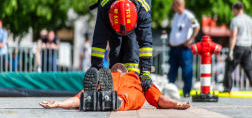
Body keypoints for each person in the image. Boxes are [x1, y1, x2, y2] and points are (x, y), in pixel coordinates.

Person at [90, 0, 153, 92]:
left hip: (132, 23)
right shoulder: (105, 6)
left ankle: (132, 81)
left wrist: (146, 73)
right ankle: (114, 83)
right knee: (116, 52)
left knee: (132, 50)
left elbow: (145, 43)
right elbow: (99, 41)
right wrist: (96, 69)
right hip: (114, 21)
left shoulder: (143, 8)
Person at [39, 63, 190, 110]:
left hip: (128, 92)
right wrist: (59, 103)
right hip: (113, 90)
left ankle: (110, 100)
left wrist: (176, 104)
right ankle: (108, 99)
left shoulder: (137, 78)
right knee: (88, 96)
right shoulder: (107, 78)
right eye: (115, 66)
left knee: (130, 96)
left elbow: (159, 98)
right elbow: (78, 98)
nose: (117, 66)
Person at [168, 0, 200, 97]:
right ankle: (170, 91)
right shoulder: (176, 16)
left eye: (173, 4)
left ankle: (187, 92)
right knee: (172, 71)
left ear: (178, 4)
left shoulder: (188, 15)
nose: (172, 6)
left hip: (184, 49)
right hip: (174, 49)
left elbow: (197, 26)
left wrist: (190, 40)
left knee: (186, 71)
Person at [223, 1, 252, 92]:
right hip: (248, 46)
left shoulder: (235, 20)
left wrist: (231, 50)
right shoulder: (249, 19)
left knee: (229, 67)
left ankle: (227, 88)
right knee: (249, 69)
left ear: (235, 9)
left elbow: (233, 36)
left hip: (239, 46)